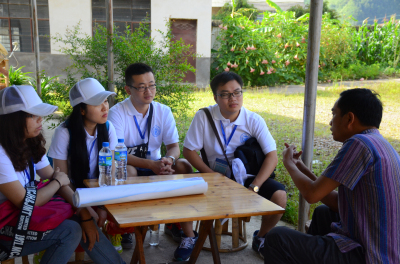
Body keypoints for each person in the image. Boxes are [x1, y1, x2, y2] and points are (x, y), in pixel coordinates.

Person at [266, 88, 400, 264]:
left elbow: (312, 195)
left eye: (334, 114)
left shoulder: (358, 144)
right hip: (384, 252)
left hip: (368, 255)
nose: (330, 122)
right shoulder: (380, 144)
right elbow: (332, 198)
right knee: (323, 213)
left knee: (277, 238)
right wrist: (300, 167)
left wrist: (288, 164)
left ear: (349, 118)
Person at [0, 85, 123, 264]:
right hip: (7, 231)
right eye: (33, 115)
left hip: (22, 221)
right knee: (71, 230)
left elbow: (57, 179)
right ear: (13, 120)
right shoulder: (2, 152)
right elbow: (27, 201)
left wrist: (84, 212)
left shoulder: (29, 143)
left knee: (80, 222)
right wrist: (56, 183)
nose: (40, 120)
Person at [182, 71, 287, 260]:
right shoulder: (204, 116)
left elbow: (272, 156)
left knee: (280, 196)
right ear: (215, 97)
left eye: (237, 92)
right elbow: (189, 151)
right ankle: (189, 237)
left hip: (246, 178)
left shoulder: (253, 120)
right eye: (225, 94)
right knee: (185, 189)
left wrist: (255, 185)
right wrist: (211, 175)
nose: (233, 98)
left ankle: (261, 237)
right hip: (212, 176)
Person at [108, 62, 193, 249]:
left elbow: (173, 147)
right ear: (128, 90)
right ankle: (128, 227)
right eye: (141, 87)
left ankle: (176, 223)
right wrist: (150, 165)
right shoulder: (117, 113)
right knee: (127, 170)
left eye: (152, 85)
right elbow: (117, 153)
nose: (149, 91)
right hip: (135, 166)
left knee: (184, 166)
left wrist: (168, 160)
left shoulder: (163, 111)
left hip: (156, 165)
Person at [47, 78, 128, 261]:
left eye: (106, 101)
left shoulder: (108, 127)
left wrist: (101, 206)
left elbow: (113, 171)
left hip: (97, 191)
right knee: (84, 224)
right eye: (97, 103)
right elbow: (61, 182)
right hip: (70, 194)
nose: (105, 107)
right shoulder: (64, 132)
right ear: (82, 110)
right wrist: (84, 210)